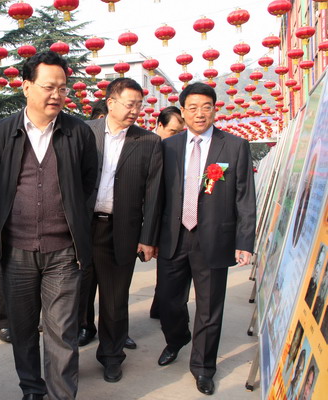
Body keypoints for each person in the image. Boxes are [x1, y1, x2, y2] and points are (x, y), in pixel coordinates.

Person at [0, 51, 98, 400]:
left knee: (62, 330)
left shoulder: (78, 132)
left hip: (63, 250)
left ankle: (62, 394)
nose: (57, 95)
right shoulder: (3, 132)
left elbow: (87, 183)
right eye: (49, 87)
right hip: (15, 250)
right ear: (26, 87)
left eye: (63, 88)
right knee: (22, 329)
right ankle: (32, 389)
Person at [156, 82, 256, 395]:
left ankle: (203, 367)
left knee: (209, 308)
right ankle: (177, 338)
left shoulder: (234, 146)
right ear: (182, 112)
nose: (200, 114)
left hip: (214, 238)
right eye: (193, 108)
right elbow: (157, 195)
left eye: (206, 107)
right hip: (173, 236)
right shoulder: (168, 146)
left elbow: (245, 197)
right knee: (168, 302)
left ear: (215, 109)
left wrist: (244, 242)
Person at [81, 78, 163, 382]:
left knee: (114, 302)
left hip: (120, 231)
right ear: (111, 102)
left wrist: (147, 238)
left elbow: (154, 194)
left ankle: (112, 356)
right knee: (73, 296)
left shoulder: (148, 141)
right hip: (82, 228)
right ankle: (68, 355)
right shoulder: (84, 132)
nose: (135, 110)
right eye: (130, 104)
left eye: (139, 105)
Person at [77, 100, 108, 347]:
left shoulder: (132, 139)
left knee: (112, 284)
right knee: (84, 279)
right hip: (85, 219)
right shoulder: (82, 135)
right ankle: (85, 325)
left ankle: (115, 330)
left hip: (114, 221)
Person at [149, 106, 185, 319]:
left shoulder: (180, 151)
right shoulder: (148, 146)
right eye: (172, 132)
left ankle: (161, 307)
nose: (177, 137)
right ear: (159, 126)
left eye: (180, 132)